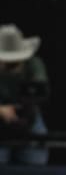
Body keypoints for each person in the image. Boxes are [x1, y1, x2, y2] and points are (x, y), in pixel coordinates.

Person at [0, 24, 50, 165]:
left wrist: (25, 108)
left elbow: (40, 92)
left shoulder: (34, 64)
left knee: (35, 165)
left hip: (28, 113)